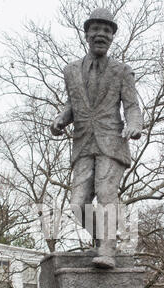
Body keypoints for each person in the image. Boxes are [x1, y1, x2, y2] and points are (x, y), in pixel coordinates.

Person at [51, 8, 142, 268]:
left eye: (107, 30)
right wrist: (61, 118)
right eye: (96, 29)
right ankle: (105, 238)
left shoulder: (122, 71)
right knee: (77, 205)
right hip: (82, 143)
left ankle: (107, 250)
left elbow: (132, 106)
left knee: (105, 194)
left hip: (111, 141)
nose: (101, 34)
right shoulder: (70, 71)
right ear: (87, 33)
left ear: (113, 37)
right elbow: (73, 104)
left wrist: (135, 126)